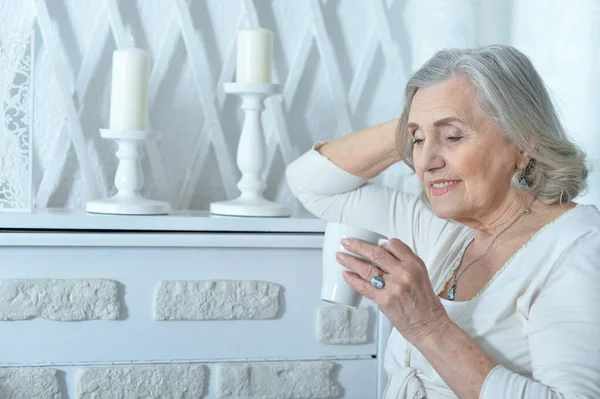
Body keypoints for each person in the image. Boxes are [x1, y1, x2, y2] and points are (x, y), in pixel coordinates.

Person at [286, 45, 600, 398]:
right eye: (417, 140)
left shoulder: (578, 248)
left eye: (453, 136)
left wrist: (428, 326)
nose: (425, 161)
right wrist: (421, 116)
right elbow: (311, 184)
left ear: (523, 142)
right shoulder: (446, 230)